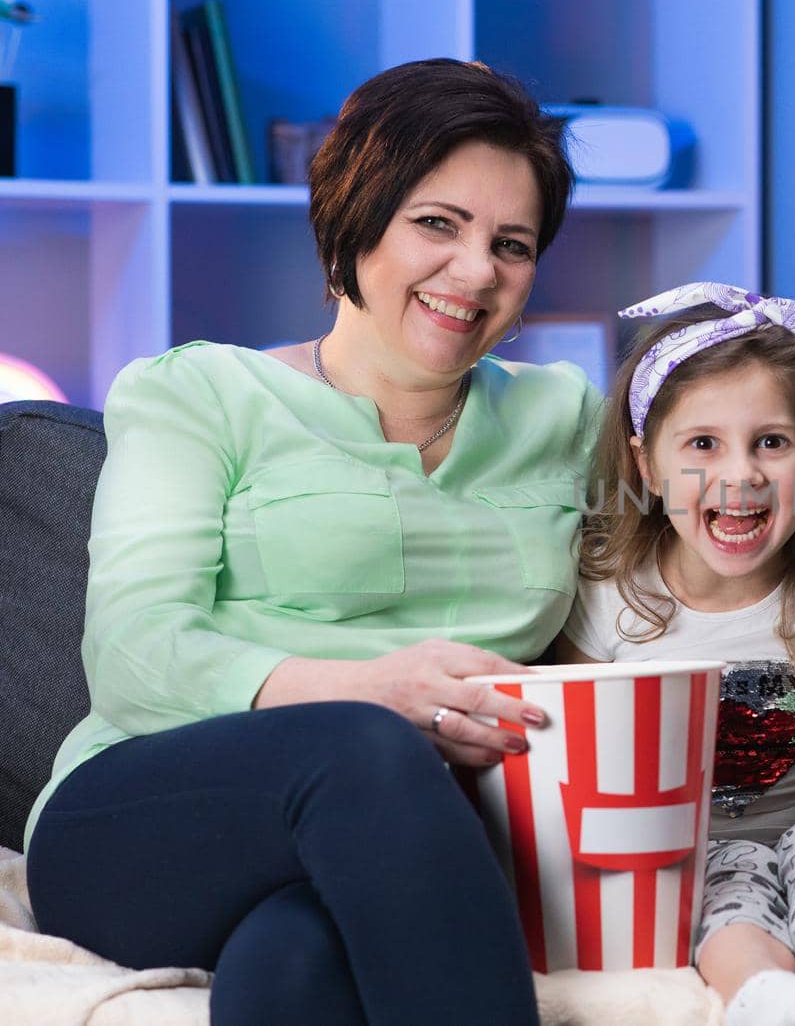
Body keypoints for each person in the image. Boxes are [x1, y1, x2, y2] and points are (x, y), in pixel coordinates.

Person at [25, 58, 597, 1024]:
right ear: (357, 214)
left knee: (294, 962)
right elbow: (133, 652)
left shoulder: (566, 414)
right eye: (436, 223)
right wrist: (375, 689)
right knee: (367, 746)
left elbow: (704, 548)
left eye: (512, 243)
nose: (476, 271)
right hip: (145, 816)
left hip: (400, 841)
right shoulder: (200, 394)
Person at [552, 283, 795, 1026]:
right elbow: (572, 757)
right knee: (723, 886)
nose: (741, 474)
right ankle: (765, 995)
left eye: (771, 442)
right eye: (703, 443)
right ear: (647, 465)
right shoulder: (612, 597)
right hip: (694, 849)